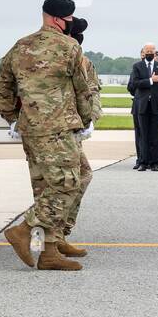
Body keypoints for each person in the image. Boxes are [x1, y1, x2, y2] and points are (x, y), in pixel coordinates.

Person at [0, 0, 95, 271]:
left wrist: (13, 118)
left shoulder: (20, 46)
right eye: (68, 20)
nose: (69, 25)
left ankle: (50, 252)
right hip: (58, 129)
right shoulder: (68, 46)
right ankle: (23, 229)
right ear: (55, 19)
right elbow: (82, 89)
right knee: (67, 183)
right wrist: (86, 120)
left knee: (45, 187)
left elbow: (2, 87)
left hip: (30, 129)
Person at [59, 17, 101, 256]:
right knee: (70, 179)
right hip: (57, 129)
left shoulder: (83, 60)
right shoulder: (61, 56)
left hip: (74, 128)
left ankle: (59, 233)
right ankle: (50, 234)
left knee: (80, 176)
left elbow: (91, 90)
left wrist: (90, 119)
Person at [127, 44, 158, 171]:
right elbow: (134, 84)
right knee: (143, 135)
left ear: (155, 52)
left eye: (152, 51)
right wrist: (151, 80)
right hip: (142, 106)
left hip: (157, 106)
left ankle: (155, 162)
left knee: (155, 135)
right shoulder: (137, 67)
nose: (150, 53)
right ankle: (143, 161)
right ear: (143, 52)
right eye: (148, 51)